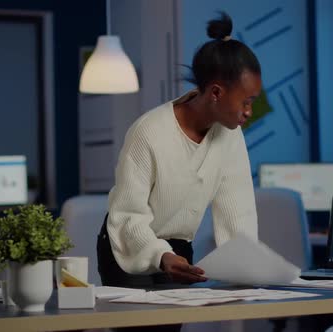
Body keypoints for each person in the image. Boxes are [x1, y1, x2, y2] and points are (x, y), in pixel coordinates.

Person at [96, 11, 261, 332]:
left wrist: (248, 268)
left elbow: (237, 211)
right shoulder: (149, 131)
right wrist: (161, 255)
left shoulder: (230, 135)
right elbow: (127, 215)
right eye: (246, 102)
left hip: (180, 249)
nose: (248, 112)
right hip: (128, 247)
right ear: (215, 92)